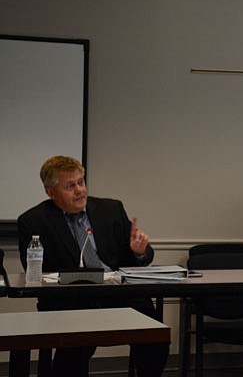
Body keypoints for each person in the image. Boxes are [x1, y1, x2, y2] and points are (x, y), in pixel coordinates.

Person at [17, 156, 168, 377]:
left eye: (81, 182)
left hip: (119, 296)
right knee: (74, 351)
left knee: (156, 336)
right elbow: (36, 272)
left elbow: (140, 257)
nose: (79, 190)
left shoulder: (111, 209)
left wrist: (139, 252)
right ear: (50, 192)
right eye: (70, 186)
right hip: (71, 300)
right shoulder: (34, 221)